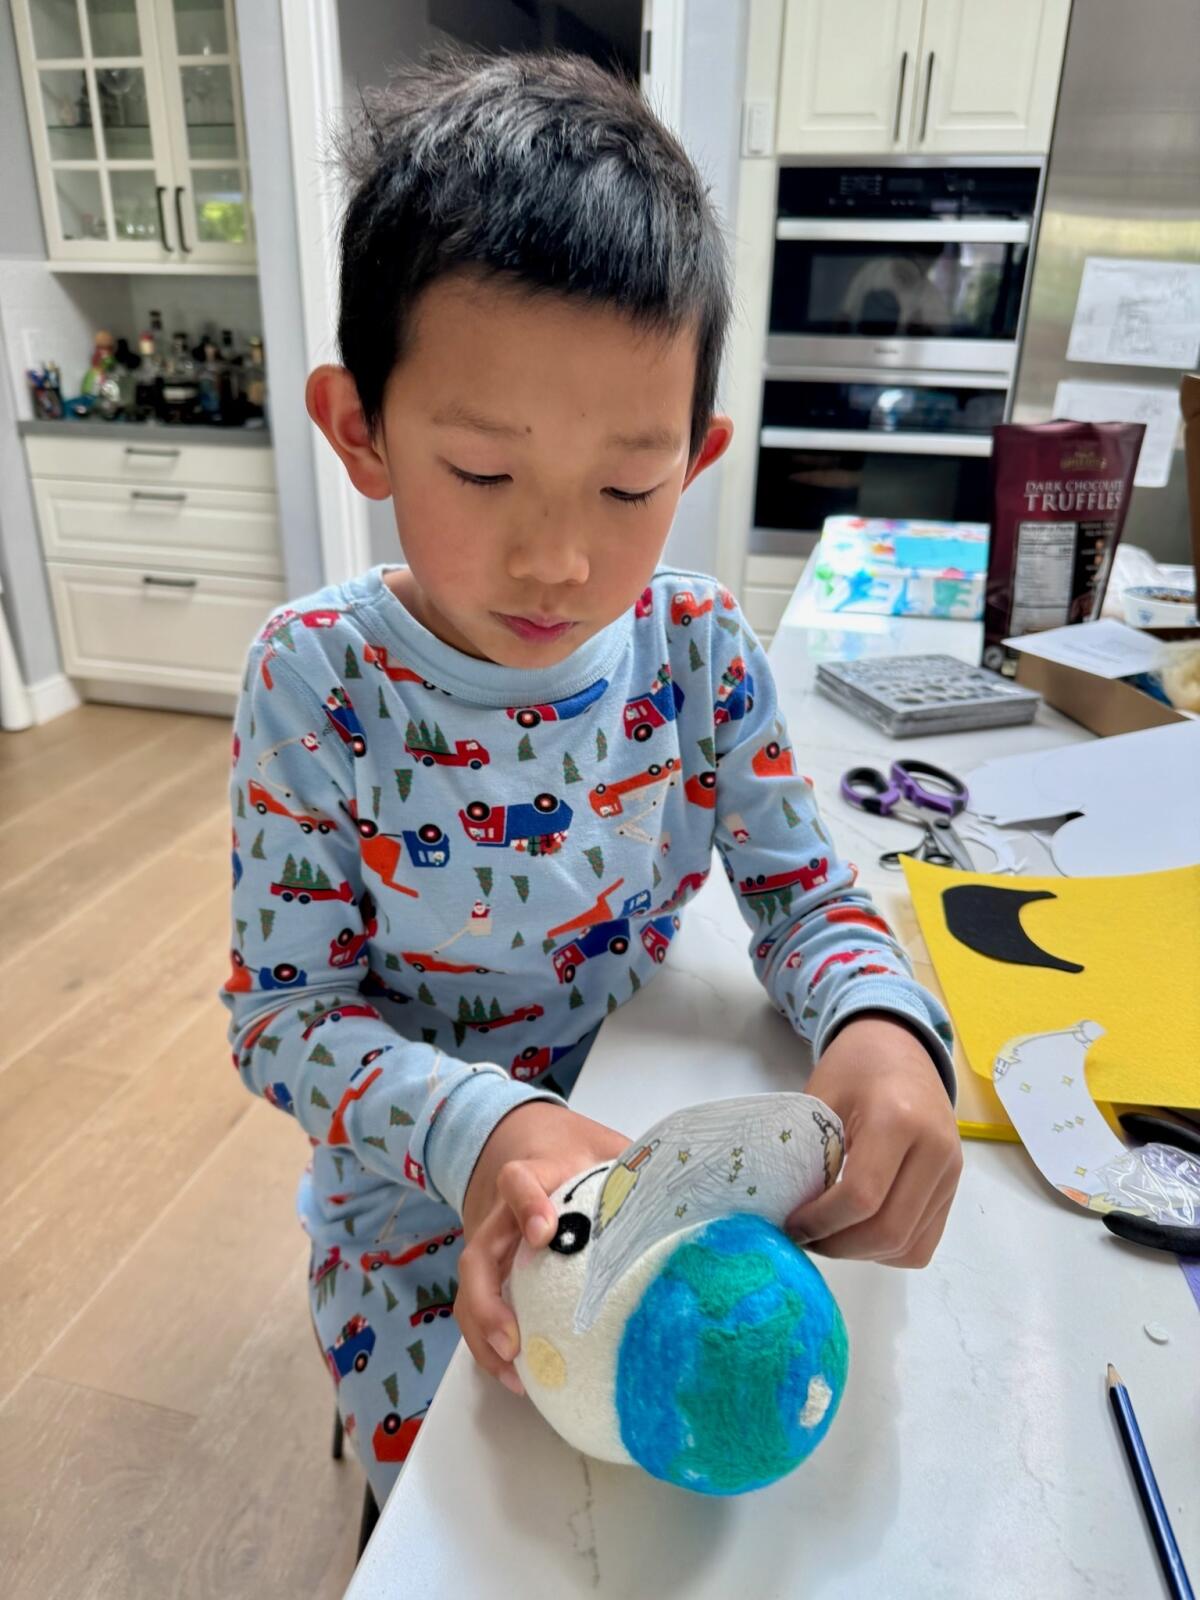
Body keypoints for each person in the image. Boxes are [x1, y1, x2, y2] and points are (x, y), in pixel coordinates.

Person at [221, 47, 962, 1507]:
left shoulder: (694, 649)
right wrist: (493, 1125)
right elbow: (284, 1017)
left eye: (630, 489)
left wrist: (885, 1027)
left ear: (695, 458)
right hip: (420, 1211)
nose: (561, 561)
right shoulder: (316, 679)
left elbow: (808, 896)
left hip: (663, 1157)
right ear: (360, 428)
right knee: (461, 1524)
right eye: (486, 475)